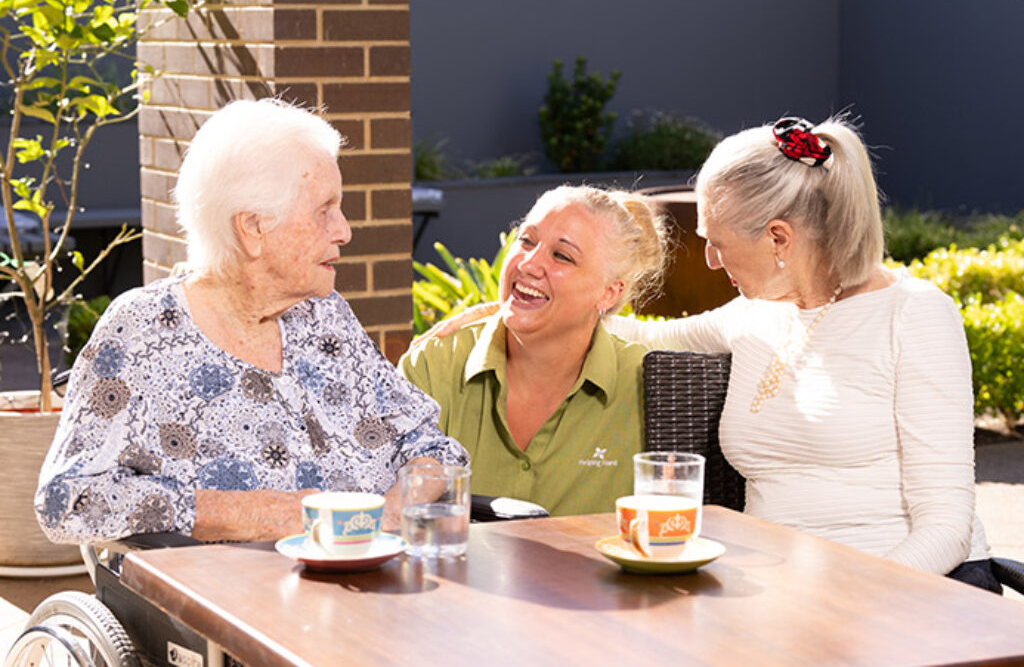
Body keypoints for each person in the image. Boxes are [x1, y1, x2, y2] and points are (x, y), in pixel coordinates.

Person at [35, 99, 468, 545]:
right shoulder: (144, 333)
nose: (344, 230)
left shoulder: (324, 316)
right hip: (240, 601)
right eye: (325, 210)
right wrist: (257, 514)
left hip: (373, 581)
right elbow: (68, 500)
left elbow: (429, 445)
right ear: (253, 227)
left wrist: (391, 517)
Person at [602, 116, 996, 590]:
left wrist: (849, 606)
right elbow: (642, 337)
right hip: (780, 594)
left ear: (778, 238)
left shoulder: (914, 314)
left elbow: (946, 530)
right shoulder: (754, 312)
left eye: (717, 242)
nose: (710, 259)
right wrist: (513, 310)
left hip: (909, 593)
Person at [399, 186, 670, 516]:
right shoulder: (431, 366)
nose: (528, 264)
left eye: (562, 256)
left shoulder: (650, 388)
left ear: (609, 293)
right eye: (526, 240)